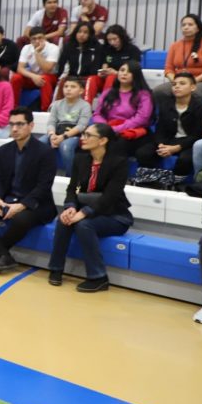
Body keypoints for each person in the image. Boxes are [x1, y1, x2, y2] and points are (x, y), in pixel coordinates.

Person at [0, 107, 58, 274]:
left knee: (20, 219)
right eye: (12, 124)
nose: (15, 129)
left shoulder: (45, 152)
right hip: (8, 199)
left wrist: (22, 205)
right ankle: (3, 255)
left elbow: (44, 186)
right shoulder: (4, 150)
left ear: (31, 126)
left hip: (37, 203)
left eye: (20, 124)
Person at [48, 123, 132, 292]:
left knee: (84, 224)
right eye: (83, 134)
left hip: (114, 215)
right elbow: (72, 189)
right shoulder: (80, 159)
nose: (83, 138)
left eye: (88, 135)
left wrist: (85, 212)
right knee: (64, 220)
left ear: (103, 140)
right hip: (85, 210)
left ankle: (99, 277)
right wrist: (70, 207)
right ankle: (56, 268)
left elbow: (110, 197)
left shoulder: (119, 163)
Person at [135, 73, 202, 174]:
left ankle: (175, 180)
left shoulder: (200, 108)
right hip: (168, 140)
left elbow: (197, 135)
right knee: (143, 153)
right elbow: (160, 130)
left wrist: (177, 147)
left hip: (188, 143)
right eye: (174, 84)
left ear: (193, 87)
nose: (177, 86)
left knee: (185, 159)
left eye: (182, 83)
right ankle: (151, 178)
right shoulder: (165, 104)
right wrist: (161, 145)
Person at [91, 61, 153, 156]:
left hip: (133, 131)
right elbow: (97, 114)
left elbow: (142, 119)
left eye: (129, 72)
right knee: (88, 140)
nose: (124, 73)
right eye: (122, 70)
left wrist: (116, 129)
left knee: (116, 143)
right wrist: (105, 128)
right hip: (109, 128)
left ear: (136, 75)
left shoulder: (143, 95)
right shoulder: (108, 92)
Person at [41, 77, 92, 174]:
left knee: (66, 146)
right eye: (66, 86)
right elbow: (51, 122)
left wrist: (63, 137)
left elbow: (81, 126)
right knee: (40, 143)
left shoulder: (85, 106)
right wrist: (52, 135)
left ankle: (71, 176)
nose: (68, 89)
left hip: (75, 135)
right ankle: (43, 173)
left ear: (81, 91)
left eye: (73, 87)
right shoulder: (56, 104)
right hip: (57, 132)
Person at [155, 13, 202, 103]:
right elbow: (168, 68)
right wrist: (176, 82)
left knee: (192, 93)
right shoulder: (175, 45)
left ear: (198, 28)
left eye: (190, 24)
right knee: (159, 91)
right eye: (183, 25)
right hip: (179, 80)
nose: (186, 27)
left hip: (201, 81)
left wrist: (194, 81)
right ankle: (168, 112)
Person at [11, 30, 59, 111]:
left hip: (50, 77)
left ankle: (45, 111)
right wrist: (33, 76)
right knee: (16, 78)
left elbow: (47, 69)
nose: (37, 41)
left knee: (44, 78)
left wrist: (37, 53)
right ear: (30, 40)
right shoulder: (26, 48)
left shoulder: (53, 48)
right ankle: (13, 108)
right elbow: (20, 69)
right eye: (34, 39)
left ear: (45, 38)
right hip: (33, 76)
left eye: (40, 38)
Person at [56, 21, 103, 103]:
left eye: (85, 32)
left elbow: (97, 66)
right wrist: (64, 76)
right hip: (72, 77)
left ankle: (86, 106)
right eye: (79, 32)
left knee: (90, 81)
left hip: (88, 78)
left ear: (90, 34)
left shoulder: (97, 47)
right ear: (75, 33)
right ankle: (57, 106)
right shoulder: (68, 46)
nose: (81, 35)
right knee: (63, 81)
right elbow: (62, 64)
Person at [98, 24, 142, 94]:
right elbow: (103, 64)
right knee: (92, 79)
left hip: (124, 79)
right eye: (109, 40)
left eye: (115, 39)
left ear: (121, 37)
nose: (112, 42)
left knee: (111, 77)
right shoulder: (105, 49)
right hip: (106, 78)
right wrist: (102, 72)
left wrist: (116, 73)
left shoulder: (133, 50)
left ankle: (106, 99)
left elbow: (135, 71)